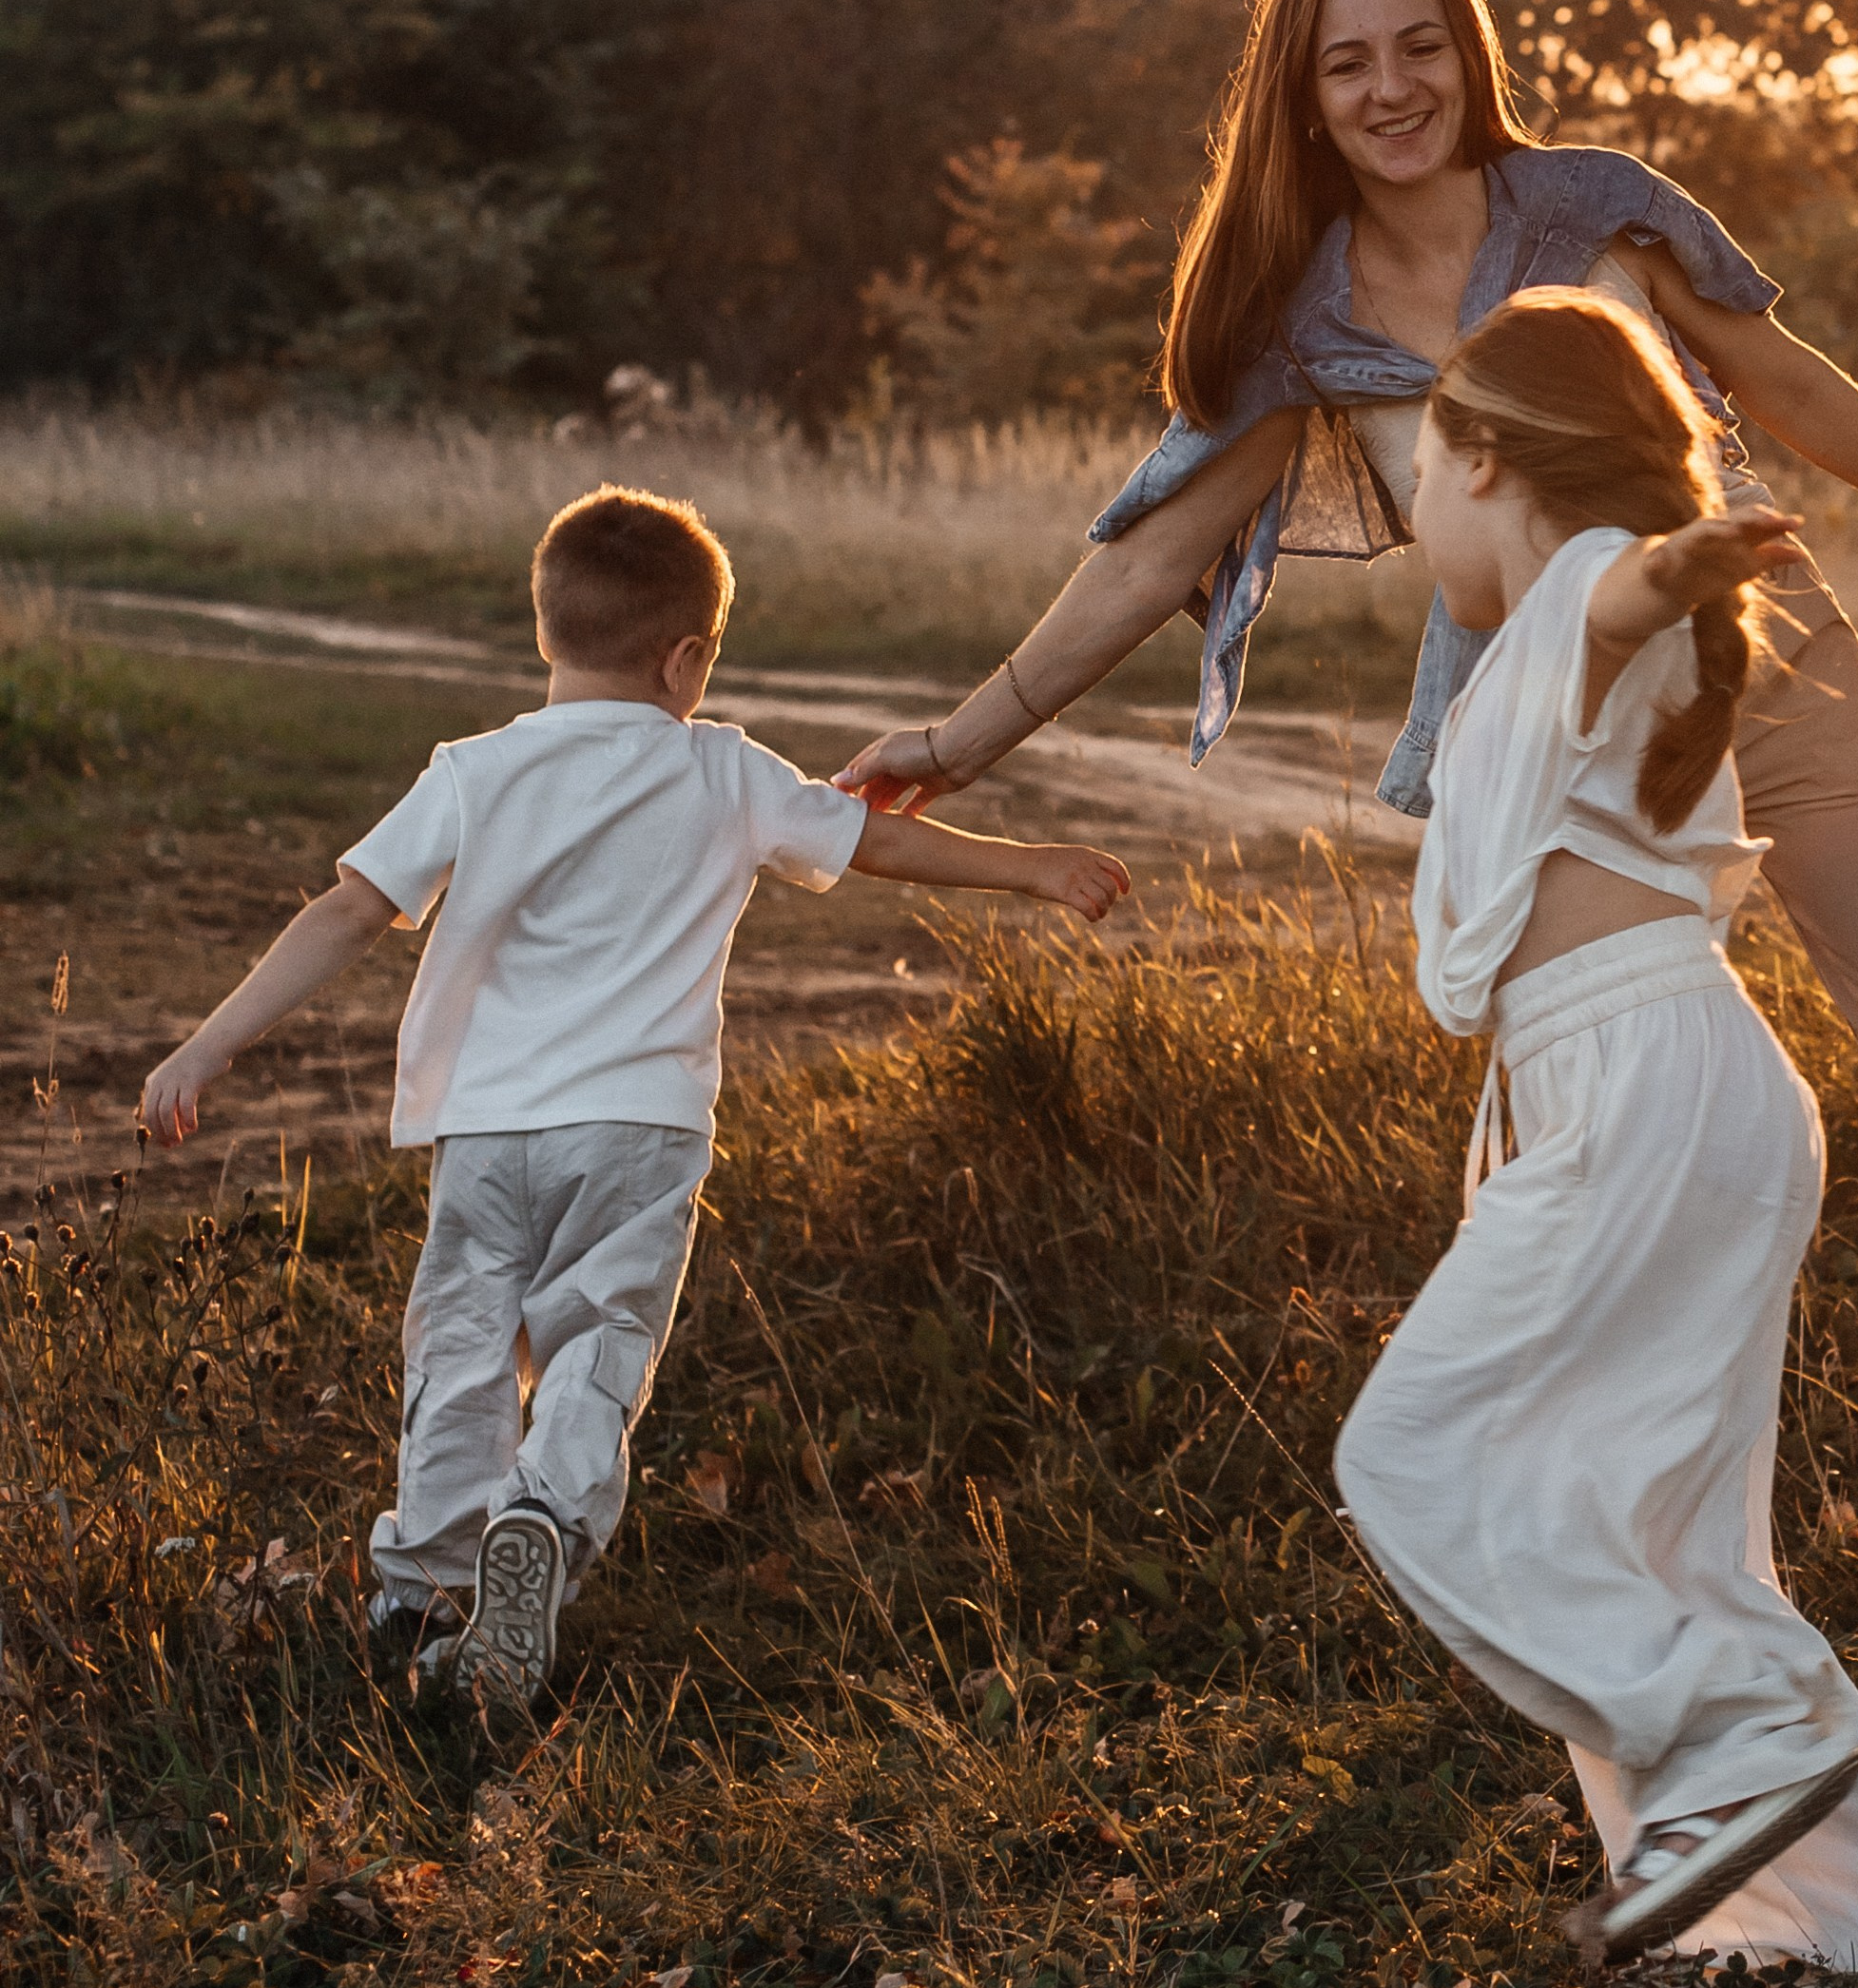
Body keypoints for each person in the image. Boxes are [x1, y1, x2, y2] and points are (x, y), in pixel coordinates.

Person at [840, 0, 1858, 1606]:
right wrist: (959, 733)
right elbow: (1150, 553)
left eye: (1420, 43)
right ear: (1302, 98)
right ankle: (1567, 1526)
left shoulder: (1592, 205)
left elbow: (1781, 380)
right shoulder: (1303, 319)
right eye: (1348, 61)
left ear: (1470, 44)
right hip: (1550, 744)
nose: (1394, 88)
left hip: (1762, 662)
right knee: (1558, 1130)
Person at [140, 483, 1130, 1703]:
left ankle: (415, 1597)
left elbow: (346, 910)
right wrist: (1032, 870)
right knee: (598, 1339)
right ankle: (544, 1517)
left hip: (491, 1126)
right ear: (687, 658)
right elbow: (875, 841)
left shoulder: (475, 771)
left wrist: (208, 1047)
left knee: (460, 1346)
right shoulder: (722, 768)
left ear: (546, 628)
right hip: (641, 1130)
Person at [1333, 287, 1858, 1988]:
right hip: (1660, 1080)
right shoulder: (1565, 639)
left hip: (1641, 1078)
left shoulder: (1584, 586)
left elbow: (1619, 578)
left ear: (1492, 457)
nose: (1415, 510)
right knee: (1672, 1551)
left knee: (1412, 1456)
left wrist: (1691, 549)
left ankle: (1721, 1746)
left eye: (1423, 466)